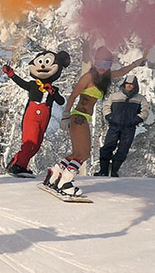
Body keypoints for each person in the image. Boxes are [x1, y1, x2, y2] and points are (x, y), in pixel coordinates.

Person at [44, 46, 148, 196]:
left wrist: (138, 62)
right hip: (78, 116)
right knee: (84, 154)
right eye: (99, 63)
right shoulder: (88, 77)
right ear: (94, 63)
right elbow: (73, 95)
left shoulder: (105, 78)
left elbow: (123, 71)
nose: (102, 68)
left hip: (83, 117)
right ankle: (65, 181)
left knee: (77, 153)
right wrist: (65, 115)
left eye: (106, 64)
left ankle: (54, 174)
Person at [2, 49, 69, 176]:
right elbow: (21, 83)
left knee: (36, 145)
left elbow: (61, 101)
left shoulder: (53, 89)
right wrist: (11, 74)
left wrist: (53, 92)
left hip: (44, 117)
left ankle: (16, 162)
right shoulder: (33, 85)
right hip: (32, 114)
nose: (43, 66)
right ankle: (19, 166)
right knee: (30, 141)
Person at [94, 74, 150, 177]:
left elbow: (145, 111)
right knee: (107, 147)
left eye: (131, 84)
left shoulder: (140, 99)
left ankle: (114, 171)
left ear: (135, 86)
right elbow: (106, 106)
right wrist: (109, 117)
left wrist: (137, 119)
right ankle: (103, 171)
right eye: (127, 84)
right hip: (114, 126)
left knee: (123, 149)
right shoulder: (115, 96)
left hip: (129, 128)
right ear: (124, 84)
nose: (129, 86)